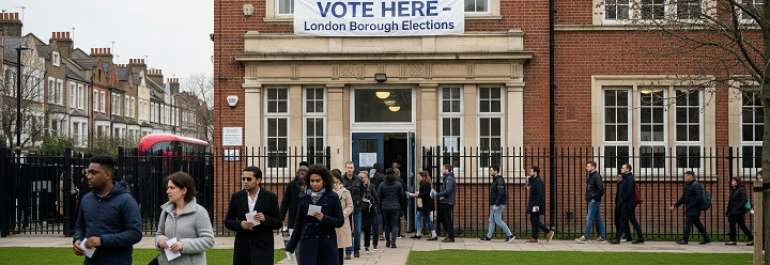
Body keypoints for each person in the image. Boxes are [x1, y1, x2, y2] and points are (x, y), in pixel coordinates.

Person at [72, 155, 142, 265]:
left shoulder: (126, 201)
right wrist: (77, 240)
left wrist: (102, 240)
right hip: (90, 262)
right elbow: (80, 227)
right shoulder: (86, 199)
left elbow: (135, 234)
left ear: (107, 175)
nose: (89, 176)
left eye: (93, 173)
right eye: (88, 172)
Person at [286, 165, 345, 265]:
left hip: (326, 244)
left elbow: (340, 221)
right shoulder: (304, 198)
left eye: (318, 181)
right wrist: (290, 246)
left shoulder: (332, 197)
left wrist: (324, 218)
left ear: (324, 181)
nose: (315, 184)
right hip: (308, 243)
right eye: (312, 181)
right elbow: (299, 224)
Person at [225, 166, 282, 265]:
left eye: (249, 179)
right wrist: (241, 224)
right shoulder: (237, 197)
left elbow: (278, 223)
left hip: (263, 247)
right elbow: (228, 221)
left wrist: (265, 219)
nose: (245, 181)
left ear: (258, 180)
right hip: (242, 247)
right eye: (243, 179)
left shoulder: (270, 197)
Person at [155, 171, 215, 264]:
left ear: (184, 190)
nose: (168, 191)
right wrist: (160, 241)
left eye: (172, 188)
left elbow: (209, 240)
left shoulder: (199, 212)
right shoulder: (166, 211)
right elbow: (159, 233)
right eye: (168, 188)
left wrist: (183, 245)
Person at [671, 171, 711, 245]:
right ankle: (707, 238)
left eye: (686, 176)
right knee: (698, 224)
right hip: (691, 207)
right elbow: (684, 197)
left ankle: (684, 240)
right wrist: (676, 205)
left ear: (691, 176)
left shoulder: (696, 185)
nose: (684, 178)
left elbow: (699, 197)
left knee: (688, 223)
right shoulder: (688, 185)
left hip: (694, 208)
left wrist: (690, 205)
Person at [480, 166, 515, 244]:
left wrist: (496, 204)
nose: (490, 172)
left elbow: (501, 193)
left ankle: (510, 235)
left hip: (497, 204)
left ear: (496, 171)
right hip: (494, 204)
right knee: (491, 220)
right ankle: (488, 237)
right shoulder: (496, 180)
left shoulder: (499, 180)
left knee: (498, 220)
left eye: (491, 170)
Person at [576, 161, 606, 244]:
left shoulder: (596, 176)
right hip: (592, 200)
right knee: (598, 219)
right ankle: (602, 236)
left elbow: (601, 189)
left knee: (589, 218)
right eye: (587, 166)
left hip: (594, 201)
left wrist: (594, 198)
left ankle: (585, 236)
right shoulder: (592, 176)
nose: (587, 168)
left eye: (588, 166)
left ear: (593, 167)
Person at [525, 166, 554, 244]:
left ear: (535, 172)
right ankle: (534, 237)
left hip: (536, 204)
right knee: (533, 220)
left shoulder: (538, 181)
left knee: (535, 220)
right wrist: (529, 180)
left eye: (531, 171)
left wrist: (537, 205)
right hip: (533, 203)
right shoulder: (534, 181)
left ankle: (548, 232)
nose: (529, 172)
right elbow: (530, 184)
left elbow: (540, 194)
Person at [378, 168, 406, 248]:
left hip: (385, 207)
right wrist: (401, 207)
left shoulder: (382, 184)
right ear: (394, 174)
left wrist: (380, 205)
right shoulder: (398, 184)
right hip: (395, 206)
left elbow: (379, 196)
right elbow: (402, 196)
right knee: (395, 225)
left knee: (387, 224)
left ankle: (387, 242)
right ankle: (393, 242)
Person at [341, 161, 363, 258]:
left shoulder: (358, 179)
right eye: (348, 167)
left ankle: (356, 249)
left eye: (351, 167)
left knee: (357, 231)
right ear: (345, 168)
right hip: (346, 209)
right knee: (347, 230)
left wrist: (360, 202)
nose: (349, 169)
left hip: (357, 208)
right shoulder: (341, 179)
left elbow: (363, 192)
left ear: (354, 168)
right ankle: (348, 251)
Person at [331, 171, 354, 263]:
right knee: (331, 247)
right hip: (330, 221)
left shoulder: (345, 192)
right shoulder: (327, 192)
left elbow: (350, 206)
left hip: (341, 222)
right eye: (332, 182)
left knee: (340, 247)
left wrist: (342, 215)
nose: (334, 184)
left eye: (336, 182)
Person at [280, 165, 309, 237]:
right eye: (301, 173)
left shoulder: (311, 185)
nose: (303, 175)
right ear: (297, 174)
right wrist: (281, 218)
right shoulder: (292, 185)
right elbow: (285, 202)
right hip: (294, 216)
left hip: (308, 217)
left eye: (305, 173)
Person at [410, 171, 438, 241]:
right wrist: (418, 193)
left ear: (423, 177)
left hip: (425, 205)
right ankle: (432, 234)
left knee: (419, 217)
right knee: (426, 218)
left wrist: (417, 195)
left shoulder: (425, 184)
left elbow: (425, 194)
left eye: (419, 176)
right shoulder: (425, 184)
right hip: (425, 204)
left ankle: (420, 234)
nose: (418, 178)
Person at [726, 177, 753, 246]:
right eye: (732, 181)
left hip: (738, 211)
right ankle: (752, 238)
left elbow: (744, 200)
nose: (732, 182)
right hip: (733, 211)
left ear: (738, 182)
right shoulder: (733, 190)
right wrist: (728, 210)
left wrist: (737, 207)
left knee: (732, 225)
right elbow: (731, 201)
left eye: (734, 181)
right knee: (742, 225)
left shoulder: (741, 190)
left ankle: (732, 240)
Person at [360, 171, 380, 253]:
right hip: (360, 210)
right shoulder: (357, 187)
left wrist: (375, 206)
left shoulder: (371, 187)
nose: (362, 180)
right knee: (360, 229)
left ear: (367, 178)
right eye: (360, 178)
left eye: (363, 178)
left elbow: (377, 198)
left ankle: (369, 245)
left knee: (369, 228)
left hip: (369, 210)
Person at [435, 164, 457, 243]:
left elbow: (448, 190)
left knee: (447, 219)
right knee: (441, 217)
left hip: (447, 202)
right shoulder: (447, 178)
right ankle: (448, 233)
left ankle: (450, 236)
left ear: (447, 170)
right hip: (445, 201)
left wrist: (437, 194)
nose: (442, 171)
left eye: (443, 169)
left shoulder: (449, 179)